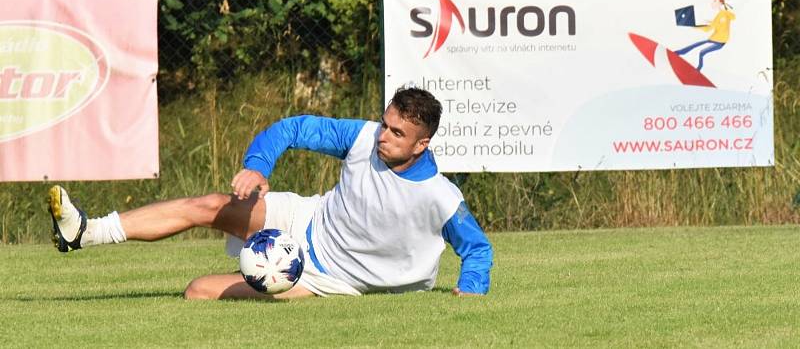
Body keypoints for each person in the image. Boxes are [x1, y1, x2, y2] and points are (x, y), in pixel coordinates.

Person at [48, 87, 493, 300]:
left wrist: (470, 290)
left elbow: (478, 250)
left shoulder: (441, 196)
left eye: (398, 133)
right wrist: (257, 166)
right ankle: (85, 232)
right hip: (306, 219)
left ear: (421, 144)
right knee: (207, 205)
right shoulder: (362, 137)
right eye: (385, 124)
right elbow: (294, 128)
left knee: (198, 292)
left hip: (330, 281)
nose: (384, 137)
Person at [675, 0, 735, 71]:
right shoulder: (723, 14)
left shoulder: (722, 15)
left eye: (715, 1)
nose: (712, 3)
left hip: (719, 41)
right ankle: (695, 66)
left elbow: (708, 29)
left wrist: (695, 27)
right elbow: (721, 23)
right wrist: (711, 23)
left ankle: (679, 53)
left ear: (720, 3)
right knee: (700, 50)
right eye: (713, 1)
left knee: (698, 49)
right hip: (718, 39)